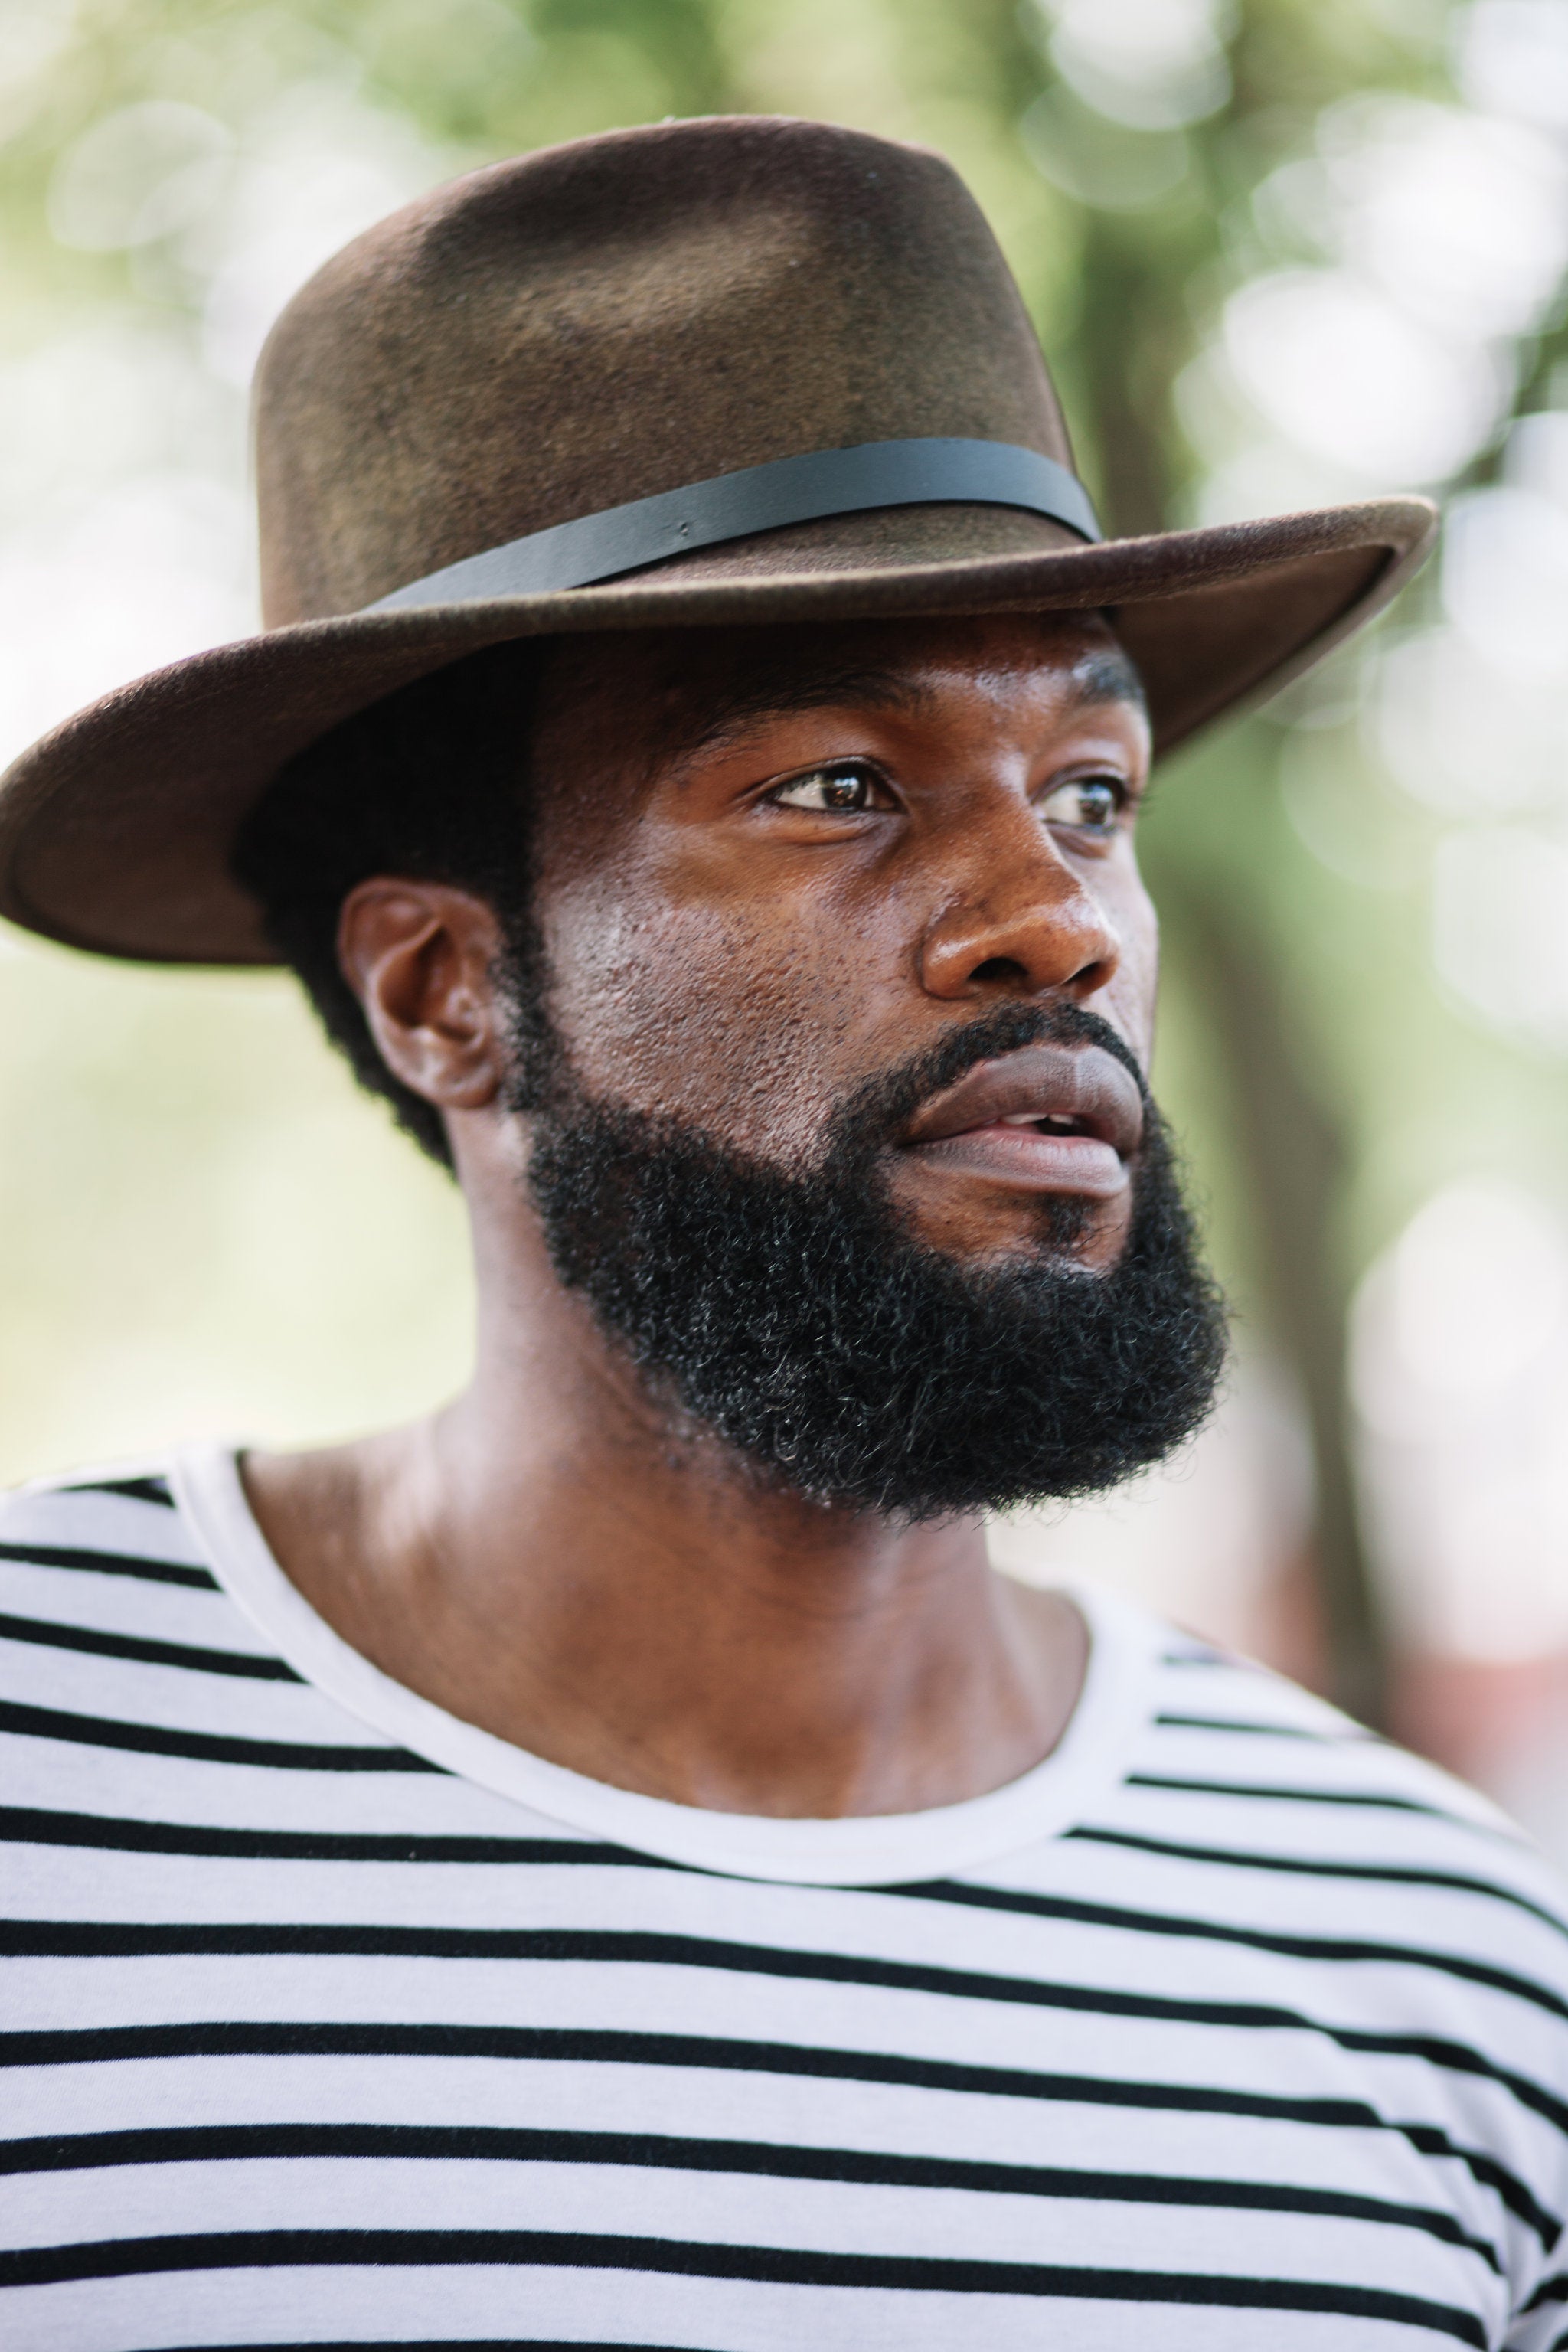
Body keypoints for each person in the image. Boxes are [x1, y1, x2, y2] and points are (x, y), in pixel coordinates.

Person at [1, 114, 1563, 2352]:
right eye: (835, 786)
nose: (1055, 924)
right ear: (451, 991)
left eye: (1092, 792)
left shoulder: (1442, 1977)